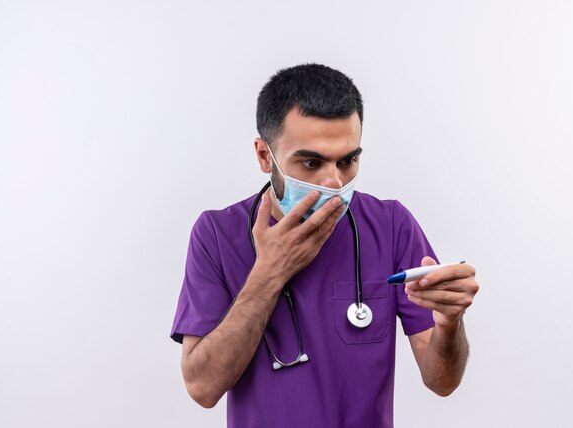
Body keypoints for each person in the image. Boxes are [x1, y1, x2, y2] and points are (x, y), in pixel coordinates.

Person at [170, 63, 479, 427]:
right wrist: (270, 274)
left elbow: (442, 382)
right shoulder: (217, 234)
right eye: (311, 162)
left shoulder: (391, 225)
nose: (334, 181)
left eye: (348, 160)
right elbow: (201, 387)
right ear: (264, 155)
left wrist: (449, 323)